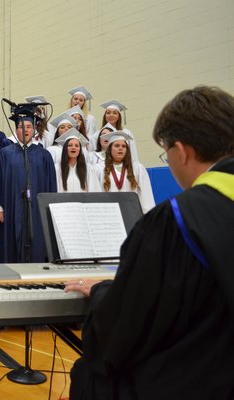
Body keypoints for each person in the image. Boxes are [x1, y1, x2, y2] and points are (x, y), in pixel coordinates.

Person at [65, 86, 234, 399]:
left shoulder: (177, 221)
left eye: (166, 154)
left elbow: (120, 333)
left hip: (197, 383)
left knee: (88, 375)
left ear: (181, 151)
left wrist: (103, 291)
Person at [0, 110, 57, 263]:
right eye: (21, 127)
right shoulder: (5, 153)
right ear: (16, 130)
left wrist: (49, 208)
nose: (25, 130)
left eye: (28, 126)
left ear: (34, 130)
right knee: (12, 240)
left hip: (36, 208)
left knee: (36, 241)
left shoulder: (43, 155)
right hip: (11, 206)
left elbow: (50, 183)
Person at [92, 131, 155, 213]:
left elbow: (146, 197)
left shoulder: (137, 168)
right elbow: (96, 195)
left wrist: (149, 218)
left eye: (123, 146)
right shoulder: (99, 169)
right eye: (117, 146)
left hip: (132, 213)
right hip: (110, 214)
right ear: (110, 149)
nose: (120, 148)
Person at [54, 129, 100, 193]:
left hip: (83, 202)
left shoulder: (88, 169)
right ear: (65, 149)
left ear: (80, 150)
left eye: (76, 146)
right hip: (63, 202)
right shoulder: (57, 168)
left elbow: (94, 191)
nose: (73, 147)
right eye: (70, 145)